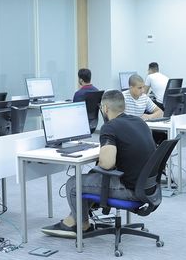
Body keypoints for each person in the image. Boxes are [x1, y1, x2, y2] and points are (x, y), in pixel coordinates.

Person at [45, 90, 157, 237]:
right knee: (92, 176)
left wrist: (103, 154)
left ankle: (82, 225)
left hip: (130, 191)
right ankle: (73, 219)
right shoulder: (139, 122)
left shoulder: (110, 127)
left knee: (74, 183)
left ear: (105, 108)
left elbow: (107, 164)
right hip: (147, 188)